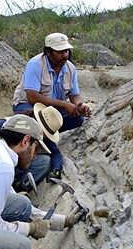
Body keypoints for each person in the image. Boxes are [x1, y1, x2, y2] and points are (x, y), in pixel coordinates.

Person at [0, 114, 82, 249]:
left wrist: (60, 221)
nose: (35, 156)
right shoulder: (2, 166)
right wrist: (29, 228)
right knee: (21, 248)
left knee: (21, 203)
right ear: (25, 141)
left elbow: (13, 197)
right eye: (36, 149)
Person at [12, 32, 92, 181]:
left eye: (66, 51)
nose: (64, 55)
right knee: (41, 124)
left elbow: (74, 95)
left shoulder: (70, 68)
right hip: (27, 106)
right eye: (60, 51)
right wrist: (64, 104)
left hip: (51, 109)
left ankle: (43, 134)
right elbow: (32, 96)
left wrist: (79, 105)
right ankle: (47, 144)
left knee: (78, 120)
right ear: (48, 51)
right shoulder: (35, 65)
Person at [13, 103, 64, 192]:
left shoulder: (42, 136)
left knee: (45, 161)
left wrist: (56, 170)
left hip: (18, 167)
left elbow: (55, 153)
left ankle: (19, 187)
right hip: (3, 163)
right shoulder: (16, 124)